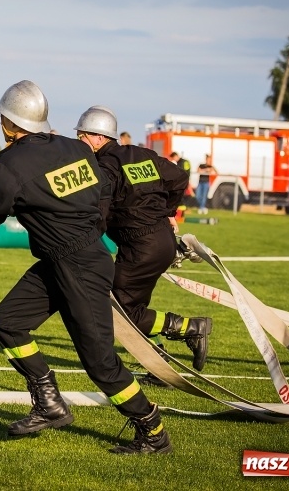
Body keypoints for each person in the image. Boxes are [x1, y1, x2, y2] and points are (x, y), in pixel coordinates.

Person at [0, 80, 171, 455]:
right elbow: (102, 193)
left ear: (10, 123)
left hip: (77, 265)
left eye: (2, 117)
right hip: (70, 257)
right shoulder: (75, 147)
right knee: (8, 322)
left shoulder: (12, 162)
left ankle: (153, 431)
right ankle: (49, 404)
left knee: (102, 365)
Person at [75, 106, 212, 376]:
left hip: (141, 248)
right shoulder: (141, 154)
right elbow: (179, 178)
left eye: (82, 137)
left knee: (117, 311)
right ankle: (159, 367)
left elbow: (99, 216)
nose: (80, 142)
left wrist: (83, 244)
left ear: (99, 137)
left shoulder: (105, 166)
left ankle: (190, 328)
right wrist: (169, 212)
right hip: (161, 241)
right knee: (135, 310)